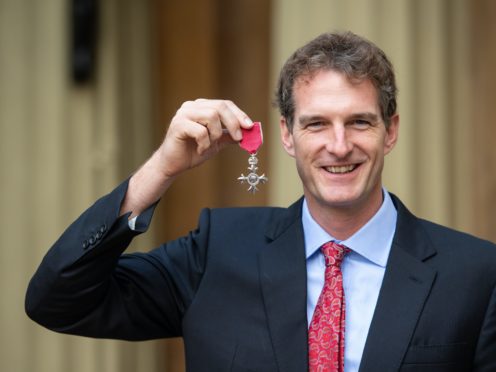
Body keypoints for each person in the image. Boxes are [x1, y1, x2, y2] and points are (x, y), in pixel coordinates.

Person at [26, 31, 496, 372]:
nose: (338, 145)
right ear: (287, 136)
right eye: (315, 124)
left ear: (389, 131)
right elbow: (57, 300)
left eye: (359, 122)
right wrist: (161, 170)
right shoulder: (216, 252)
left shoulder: (475, 272)